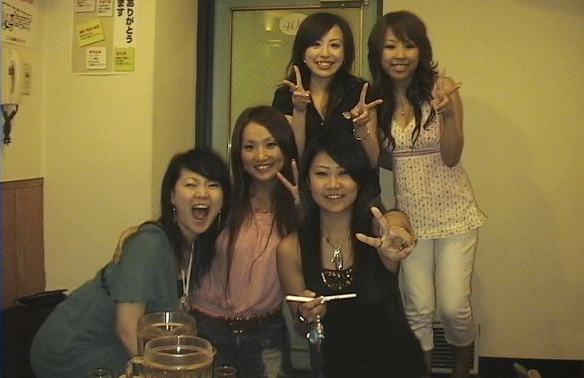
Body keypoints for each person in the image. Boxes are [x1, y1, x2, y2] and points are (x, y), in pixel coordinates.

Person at [30, 148, 230, 378]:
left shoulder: (197, 247)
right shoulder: (149, 244)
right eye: (191, 184)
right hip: (73, 349)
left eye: (213, 185)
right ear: (172, 197)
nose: (202, 193)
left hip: (119, 348)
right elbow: (128, 330)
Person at [367, 11, 486, 378]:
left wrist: (447, 117)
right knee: (417, 309)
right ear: (378, 53)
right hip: (410, 220)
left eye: (408, 45)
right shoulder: (376, 100)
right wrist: (362, 130)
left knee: (453, 308)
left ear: (421, 50)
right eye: (390, 46)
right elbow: (379, 159)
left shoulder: (442, 88)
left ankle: (462, 363)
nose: (399, 55)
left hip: (455, 216)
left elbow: (451, 158)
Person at [276, 130, 426, 378]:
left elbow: (396, 221)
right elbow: (302, 328)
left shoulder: (377, 232)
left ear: (359, 180)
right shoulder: (291, 249)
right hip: (333, 369)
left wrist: (398, 231)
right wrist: (306, 317)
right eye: (322, 174)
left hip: (397, 367)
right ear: (307, 182)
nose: (333, 184)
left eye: (344, 172)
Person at [191, 106, 300, 378]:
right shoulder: (222, 200)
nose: (261, 156)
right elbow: (179, 226)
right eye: (249, 147)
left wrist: (306, 209)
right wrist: (141, 233)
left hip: (266, 334)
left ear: (285, 148)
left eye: (270, 145)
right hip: (207, 332)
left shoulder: (299, 207)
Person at [272, 12, 382, 169]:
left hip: (353, 183)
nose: (325, 53)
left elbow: (372, 162)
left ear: (345, 53)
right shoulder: (285, 95)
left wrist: (361, 128)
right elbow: (293, 159)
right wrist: (299, 112)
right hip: (308, 184)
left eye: (334, 45)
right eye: (316, 44)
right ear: (302, 52)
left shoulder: (360, 91)